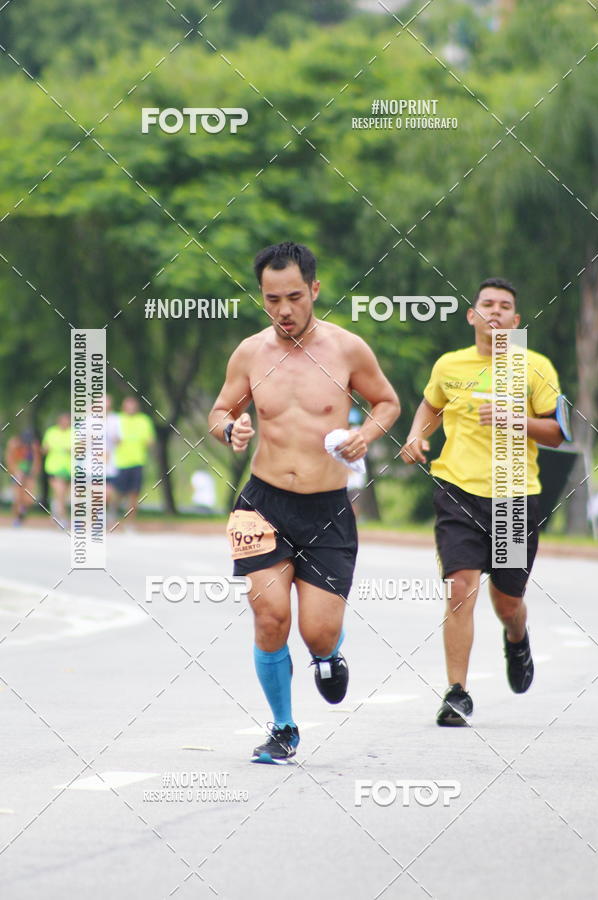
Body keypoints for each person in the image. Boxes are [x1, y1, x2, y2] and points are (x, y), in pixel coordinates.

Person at [209, 241, 400, 764]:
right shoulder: (250, 353)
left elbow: (387, 401)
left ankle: (328, 653)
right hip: (261, 503)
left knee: (317, 631)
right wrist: (231, 428)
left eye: (294, 296)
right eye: (272, 299)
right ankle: (283, 727)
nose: (284, 310)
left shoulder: (347, 350)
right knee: (269, 617)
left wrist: (368, 434)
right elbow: (219, 410)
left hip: (327, 508)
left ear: (315, 289)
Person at [400, 277, 564, 726]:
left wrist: (517, 419)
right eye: (486, 304)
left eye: (504, 306)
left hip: (514, 497)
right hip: (458, 491)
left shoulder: (533, 367)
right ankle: (456, 693)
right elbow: (431, 406)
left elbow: (557, 432)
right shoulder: (449, 365)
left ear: (515, 321)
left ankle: (516, 636)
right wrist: (417, 435)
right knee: (459, 591)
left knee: (506, 600)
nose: (494, 312)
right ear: (472, 316)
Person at [113, 396, 155, 526]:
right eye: (128, 406)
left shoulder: (144, 420)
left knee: (134, 494)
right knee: (117, 492)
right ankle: (112, 515)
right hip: (120, 462)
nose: (131, 409)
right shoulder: (117, 419)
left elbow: (150, 440)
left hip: (138, 461)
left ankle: (130, 522)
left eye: (133, 406)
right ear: (123, 407)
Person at [5, 429, 41, 526]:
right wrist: (15, 472)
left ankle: (23, 510)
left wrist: (33, 473)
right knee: (17, 496)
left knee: (29, 498)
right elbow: (9, 460)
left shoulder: (33, 445)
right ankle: (17, 517)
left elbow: (36, 461)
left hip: (28, 471)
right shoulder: (14, 444)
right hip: (17, 471)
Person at [42, 413, 72, 528]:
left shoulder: (73, 433)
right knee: (59, 492)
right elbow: (44, 449)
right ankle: (63, 518)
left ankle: (55, 512)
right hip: (53, 467)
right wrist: (46, 448)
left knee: (62, 495)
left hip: (68, 468)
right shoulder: (51, 432)